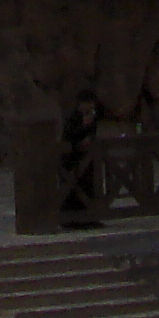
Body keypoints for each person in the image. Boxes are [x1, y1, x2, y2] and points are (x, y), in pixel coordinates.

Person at [59, 88, 106, 229]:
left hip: (87, 158)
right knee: (72, 189)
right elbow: (70, 135)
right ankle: (70, 220)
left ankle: (89, 218)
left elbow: (93, 132)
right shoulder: (73, 117)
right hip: (72, 158)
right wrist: (84, 127)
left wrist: (89, 135)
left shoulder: (93, 116)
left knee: (88, 187)